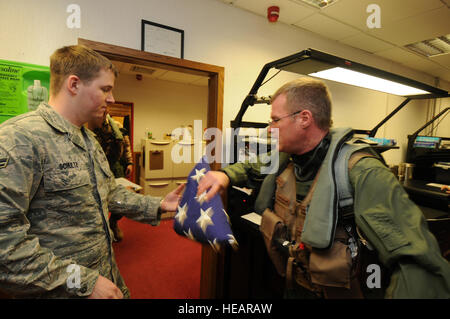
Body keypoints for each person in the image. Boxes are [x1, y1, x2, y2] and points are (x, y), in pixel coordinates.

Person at [197, 77, 450, 298]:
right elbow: (254, 167)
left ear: (304, 118)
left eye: (275, 120)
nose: (269, 128)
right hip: (295, 284)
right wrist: (224, 176)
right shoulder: (288, 158)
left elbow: (415, 262)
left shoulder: (361, 171)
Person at [0, 45, 184, 299]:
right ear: (74, 84)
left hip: (104, 275)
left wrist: (159, 204)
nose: (111, 98)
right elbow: (5, 243)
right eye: (105, 89)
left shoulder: (89, 139)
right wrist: (81, 281)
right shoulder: (19, 138)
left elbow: (109, 192)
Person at [87, 109, 134, 242]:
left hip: (115, 167)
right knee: (97, 199)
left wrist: (129, 162)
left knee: (121, 198)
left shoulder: (117, 126)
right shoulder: (88, 126)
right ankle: (102, 229)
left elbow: (126, 144)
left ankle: (113, 221)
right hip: (95, 167)